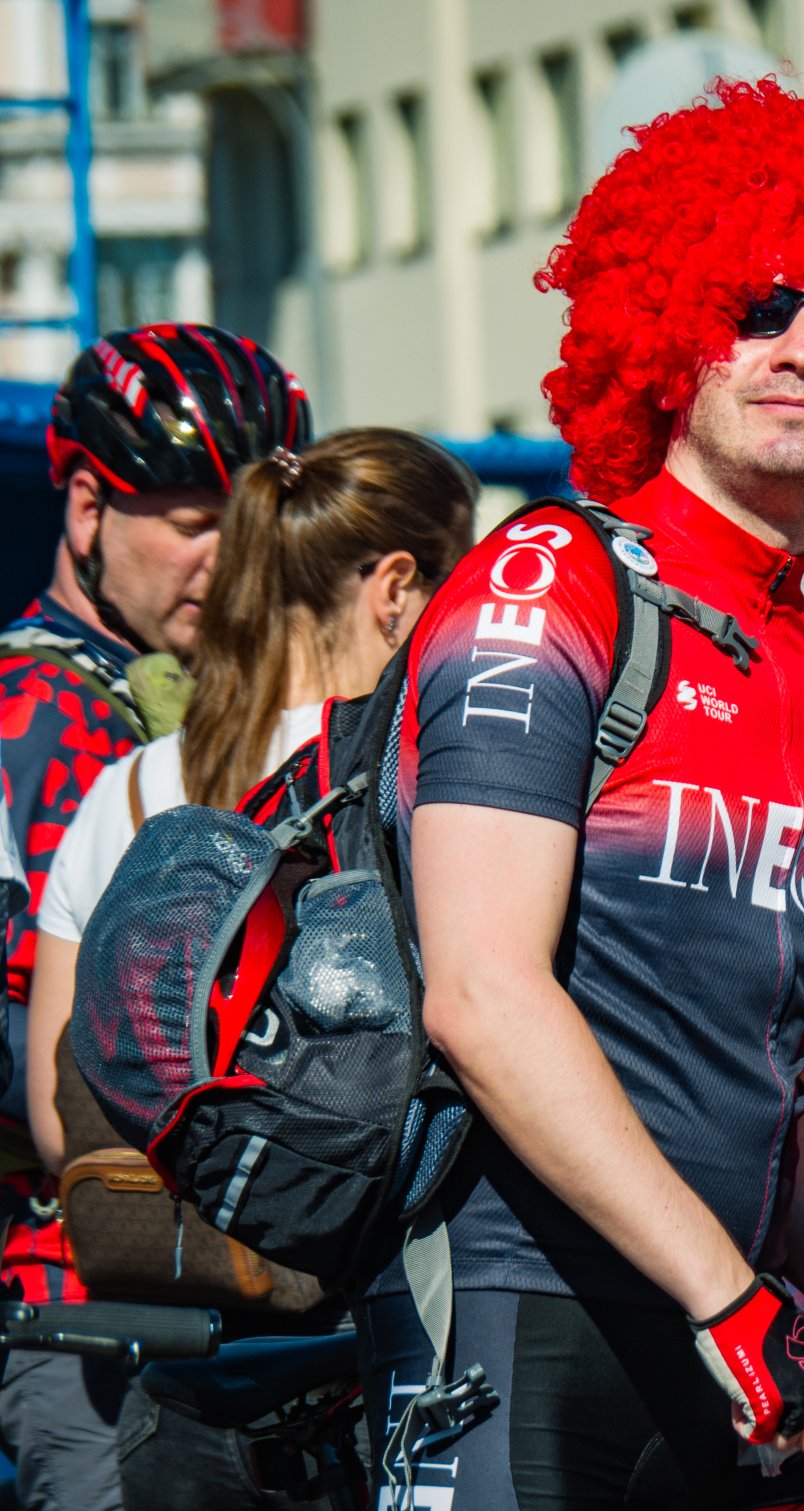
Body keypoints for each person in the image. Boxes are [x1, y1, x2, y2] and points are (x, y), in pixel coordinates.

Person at [351, 81, 804, 1509]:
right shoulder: (550, 582)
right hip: (516, 1312)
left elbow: (793, 1077)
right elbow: (482, 989)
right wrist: (728, 1295)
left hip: (728, 1350)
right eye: (760, 305)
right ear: (666, 330)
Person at [23, 426, 475, 1511]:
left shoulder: (131, 785)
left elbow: (56, 1106)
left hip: (172, 1342)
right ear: (400, 588)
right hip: (375, 1340)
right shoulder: (428, 782)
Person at [0, 324, 308, 1511]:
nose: (229, 555)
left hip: (236, 1299)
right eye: (191, 518)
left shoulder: (219, 704)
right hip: (89, 1308)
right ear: (86, 506)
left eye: (251, 515)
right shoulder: (38, 711)